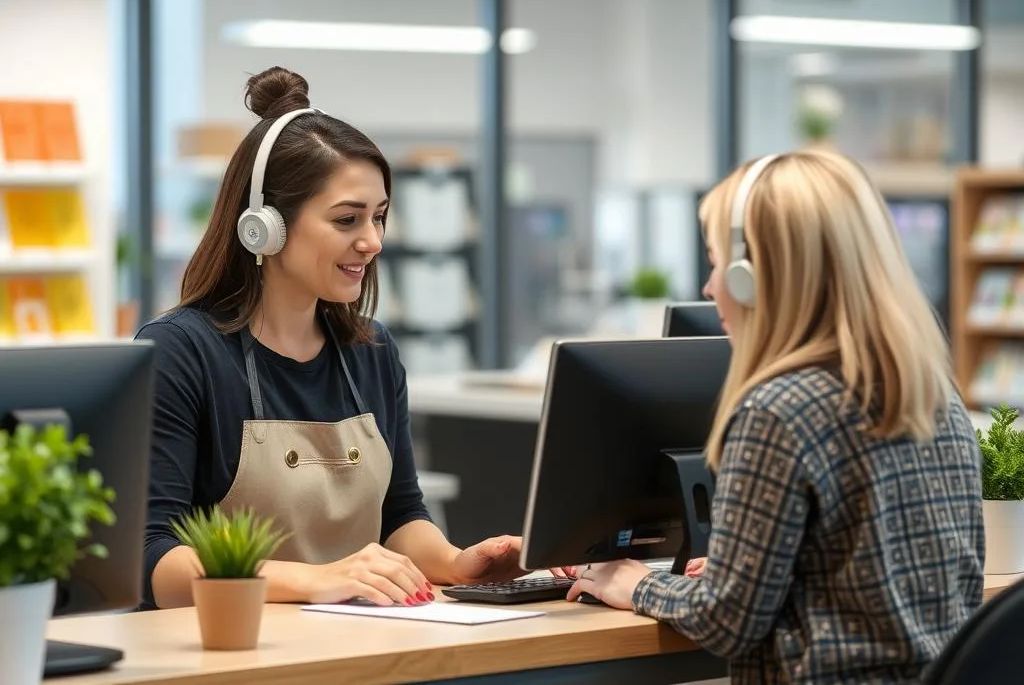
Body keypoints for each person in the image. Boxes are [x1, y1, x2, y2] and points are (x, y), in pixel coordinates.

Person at [566, 150, 984, 683]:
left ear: (752, 276)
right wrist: (753, 569)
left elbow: (726, 620)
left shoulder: (778, 412)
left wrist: (635, 583)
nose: (709, 286)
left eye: (717, 262)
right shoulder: (935, 396)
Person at [136, 66, 526, 611]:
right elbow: (155, 559)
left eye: (380, 217)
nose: (372, 242)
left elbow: (401, 515)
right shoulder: (181, 352)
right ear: (263, 225)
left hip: (362, 649)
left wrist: (460, 564)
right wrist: (314, 579)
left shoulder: (373, 352)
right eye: (347, 219)